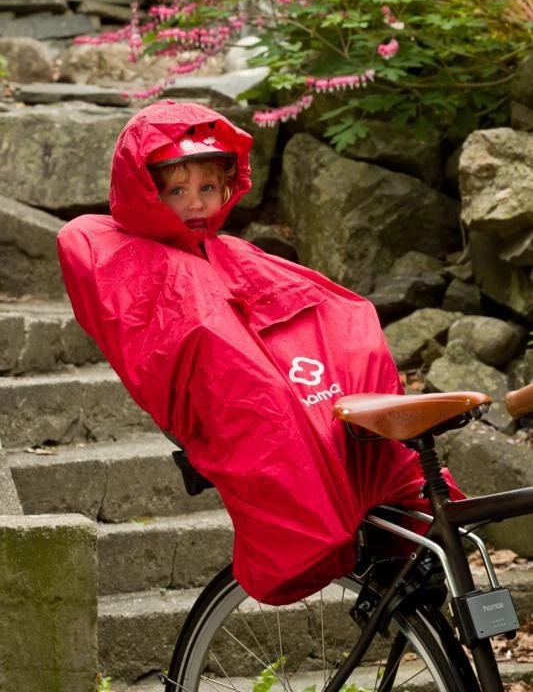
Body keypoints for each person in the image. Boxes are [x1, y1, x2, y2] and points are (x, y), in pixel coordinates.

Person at [57, 99, 462, 605]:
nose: (196, 203)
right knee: (266, 390)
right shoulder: (128, 256)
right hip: (254, 392)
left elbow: (325, 307)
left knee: (352, 322)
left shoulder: (231, 253)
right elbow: (202, 345)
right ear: (146, 193)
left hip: (302, 380)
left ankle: (401, 517)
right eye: (177, 191)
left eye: (208, 188)